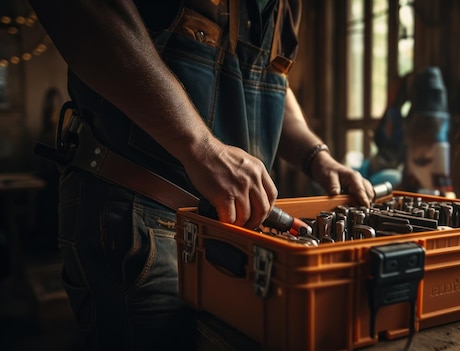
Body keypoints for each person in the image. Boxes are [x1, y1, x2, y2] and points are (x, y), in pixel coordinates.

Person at [28, 0, 375, 349]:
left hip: (237, 234)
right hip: (142, 219)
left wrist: (318, 157)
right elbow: (81, 12)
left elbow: (269, 79)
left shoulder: (287, 7)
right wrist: (203, 148)